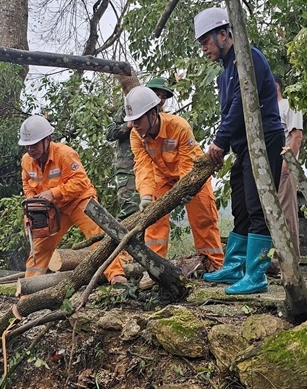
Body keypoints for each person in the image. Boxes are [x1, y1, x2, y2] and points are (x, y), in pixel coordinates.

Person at [194, 7, 284, 295]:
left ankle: (257, 273)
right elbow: (228, 113)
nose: (205, 49)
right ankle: (235, 265)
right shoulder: (225, 74)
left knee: (259, 206)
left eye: (206, 42)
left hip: (264, 139)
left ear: (223, 34)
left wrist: (219, 142)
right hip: (243, 146)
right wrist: (225, 144)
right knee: (241, 206)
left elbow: (240, 107)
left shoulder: (248, 59)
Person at [124, 85, 224, 289]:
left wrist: (188, 188)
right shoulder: (136, 135)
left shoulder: (178, 126)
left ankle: (215, 265)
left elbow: (188, 164)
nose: (134, 125)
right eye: (131, 120)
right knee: (153, 217)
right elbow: (143, 166)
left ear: (153, 113)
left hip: (193, 173)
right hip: (162, 176)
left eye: (138, 120)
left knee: (203, 216)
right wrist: (145, 195)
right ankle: (153, 269)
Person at [19, 115, 127, 284]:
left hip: (79, 201)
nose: (30, 149)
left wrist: (54, 193)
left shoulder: (65, 154)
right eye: (27, 145)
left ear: (47, 140)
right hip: (53, 209)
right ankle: (28, 289)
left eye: (34, 144)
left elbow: (80, 182)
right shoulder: (26, 161)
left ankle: (116, 275)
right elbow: (28, 185)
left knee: (98, 236)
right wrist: (32, 209)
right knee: (39, 247)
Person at [105, 77, 176, 220]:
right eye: (157, 95)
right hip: (129, 167)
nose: (161, 99)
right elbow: (109, 132)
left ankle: (143, 241)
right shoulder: (130, 108)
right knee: (131, 208)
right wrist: (129, 125)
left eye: (163, 97)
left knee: (150, 210)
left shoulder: (161, 116)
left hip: (151, 170)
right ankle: (120, 240)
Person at [276, 78, 304, 257]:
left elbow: (297, 136)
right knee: (272, 212)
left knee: (286, 213)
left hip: (285, 167)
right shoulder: (265, 109)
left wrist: (287, 165)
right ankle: (272, 258)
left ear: (276, 86)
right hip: (270, 167)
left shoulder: (289, 105)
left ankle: (290, 259)